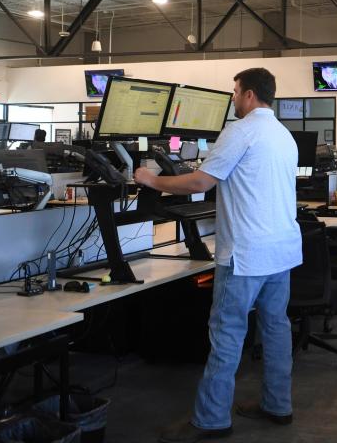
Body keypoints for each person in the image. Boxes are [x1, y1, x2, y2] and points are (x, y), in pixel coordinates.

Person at [134, 68, 303, 443]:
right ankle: (278, 406)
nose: (232, 98)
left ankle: (210, 420)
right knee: (275, 330)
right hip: (281, 251)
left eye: (235, 91)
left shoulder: (240, 131)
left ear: (248, 95)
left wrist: (152, 180)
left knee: (227, 334)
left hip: (245, 254)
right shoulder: (283, 134)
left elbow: (200, 182)